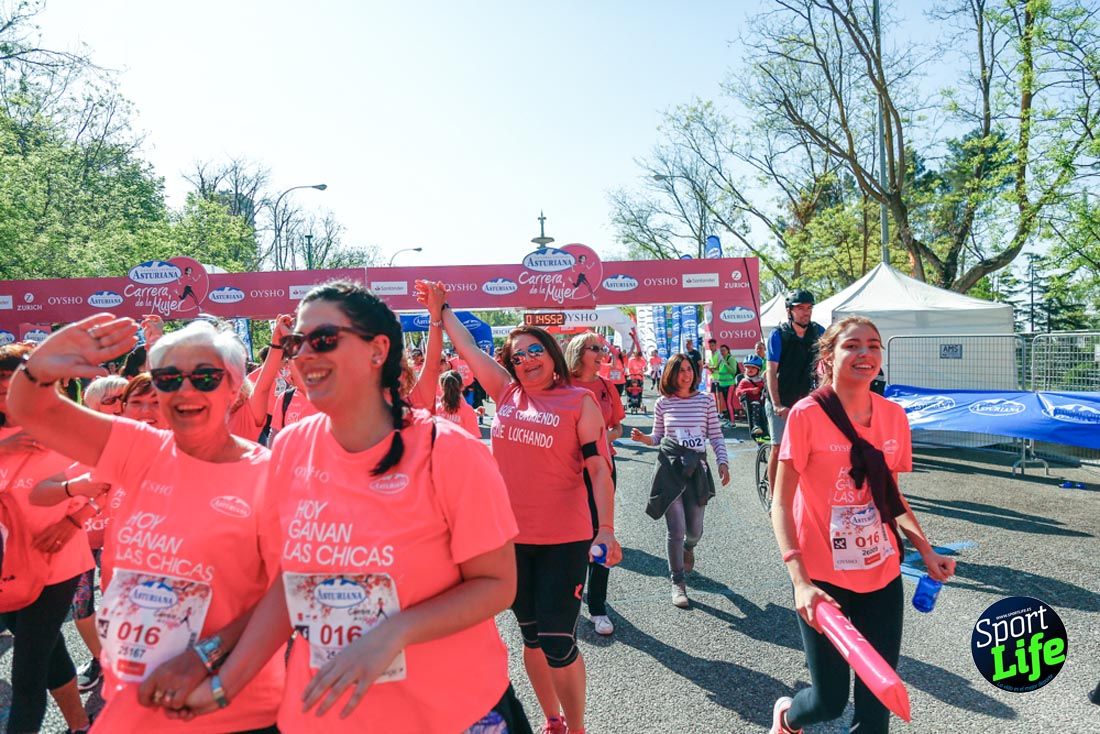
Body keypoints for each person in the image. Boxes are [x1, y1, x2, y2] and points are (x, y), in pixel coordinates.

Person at [174, 281, 530, 733]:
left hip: (452, 712)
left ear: (377, 350)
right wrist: (222, 682)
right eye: (296, 343)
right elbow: (290, 585)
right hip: (325, 712)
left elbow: (497, 585)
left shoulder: (450, 451)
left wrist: (394, 631)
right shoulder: (290, 446)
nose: (304, 355)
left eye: (323, 339)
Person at [8, 317, 285, 733]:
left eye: (205, 378)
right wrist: (43, 365)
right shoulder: (138, 448)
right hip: (132, 697)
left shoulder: (269, 474)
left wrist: (206, 658)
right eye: (168, 379)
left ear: (234, 387)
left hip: (228, 707)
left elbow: (286, 593)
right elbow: (32, 407)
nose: (185, 390)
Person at [419, 280, 620, 734]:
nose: (526, 360)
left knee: (557, 640)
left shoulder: (579, 401)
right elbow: (468, 347)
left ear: (552, 355)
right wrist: (441, 309)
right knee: (530, 636)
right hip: (509, 539)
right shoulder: (507, 393)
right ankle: (552, 719)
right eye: (517, 356)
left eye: (535, 351)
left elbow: (599, 470)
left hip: (564, 540)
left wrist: (606, 528)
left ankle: (577, 726)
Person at [769, 316, 956, 734]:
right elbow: (780, 502)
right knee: (829, 700)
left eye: (873, 345)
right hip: (822, 577)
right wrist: (799, 581)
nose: (865, 353)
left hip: (880, 570)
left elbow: (891, 495)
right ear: (828, 357)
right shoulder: (806, 415)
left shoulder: (893, 417)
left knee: (875, 709)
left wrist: (926, 551)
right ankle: (787, 717)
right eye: (852, 345)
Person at [0, 343, 94, 734]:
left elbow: (109, 478)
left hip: (58, 560)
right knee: (46, 649)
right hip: (7, 567)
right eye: (0, 384)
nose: (7, 392)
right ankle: (80, 724)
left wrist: (73, 522)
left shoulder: (68, 426)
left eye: (16, 383)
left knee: (27, 673)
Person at [28, 374, 127, 695]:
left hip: (121, 537)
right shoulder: (68, 440)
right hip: (79, 537)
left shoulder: (139, 439)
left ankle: (126, 662)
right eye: (110, 400)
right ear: (92, 406)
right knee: (81, 605)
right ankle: (103, 661)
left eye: (123, 399)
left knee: (122, 603)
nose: (119, 406)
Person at [630, 354, 730, 608]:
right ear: (671, 374)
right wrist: (644, 439)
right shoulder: (664, 403)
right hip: (670, 470)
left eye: (689, 369)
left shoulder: (705, 401)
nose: (686, 374)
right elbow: (657, 436)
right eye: (681, 370)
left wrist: (723, 462)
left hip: (696, 470)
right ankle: (677, 582)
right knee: (675, 529)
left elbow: (716, 436)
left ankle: (689, 547)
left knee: (694, 529)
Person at [565, 333, 626, 637]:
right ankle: (569, 597)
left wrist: (597, 440)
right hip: (568, 472)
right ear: (579, 352)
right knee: (570, 538)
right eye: (596, 349)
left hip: (602, 469)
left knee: (602, 534)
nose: (602, 354)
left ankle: (598, 607)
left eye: (602, 349)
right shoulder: (561, 385)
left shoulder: (606, 386)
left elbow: (618, 427)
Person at [766, 290, 825, 491]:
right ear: (789, 311)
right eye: (800, 308)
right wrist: (777, 404)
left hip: (805, 399)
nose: (806, 312)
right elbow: (771, 372)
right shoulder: (778, 335)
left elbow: (827, 365)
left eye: (809, 308)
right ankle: (774, 497)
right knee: (778, 448)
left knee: (812, 448)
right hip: (780, 398)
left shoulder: (819, 332)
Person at [436, 369, 480, 437]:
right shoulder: (467, 411)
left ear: (441, 388)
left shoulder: (436, 409)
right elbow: (474, 438)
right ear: (462, 387)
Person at [735, 355, 768, 438]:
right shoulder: (744, 381)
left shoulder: (761, 381)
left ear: (758, 370)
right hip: (749, 403)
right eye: (748, 367)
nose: (750, 369)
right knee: (756, 404)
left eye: (753, 368)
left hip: (762, 402)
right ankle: (756, 426)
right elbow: (738, 392)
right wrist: (750, 390)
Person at [712, 345, 739, 423]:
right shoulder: (722, 360)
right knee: (727, 403)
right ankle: (730, 421)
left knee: (729, 403)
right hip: (723, 384)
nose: (722, 352)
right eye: (721, 351)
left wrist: (726, 365)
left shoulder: (731, 359)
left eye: (724, 350)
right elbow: (719, 370)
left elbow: (733, 371)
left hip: (730, 384)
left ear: (728, 350)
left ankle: (732, 422)